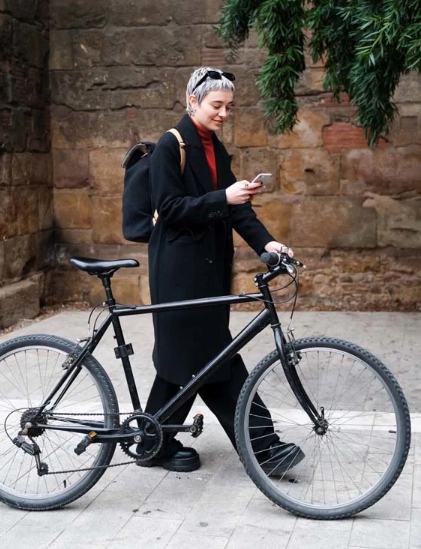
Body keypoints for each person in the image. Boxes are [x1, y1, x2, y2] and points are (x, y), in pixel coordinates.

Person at [138, 66, 303, 474]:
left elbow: (236, 210)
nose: (224, 113)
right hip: (178, 272)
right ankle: (264, 447)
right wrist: (222, 196)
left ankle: (150, 441)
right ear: (193, 101)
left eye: (229, 107)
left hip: (207, 270)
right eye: (217, 105)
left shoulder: (214, 147)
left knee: (189, 360)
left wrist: (269, 243)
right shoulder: (169, 145)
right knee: (214, 359)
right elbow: (171, 209)